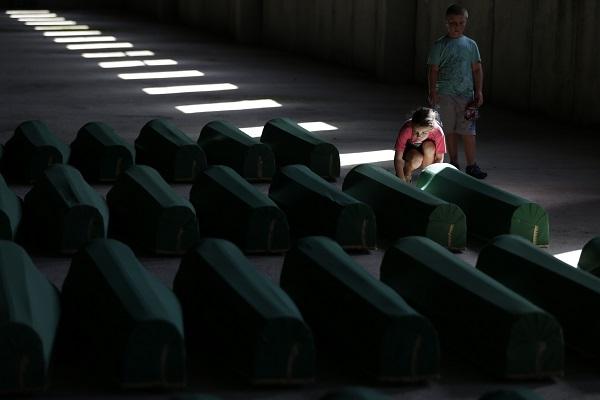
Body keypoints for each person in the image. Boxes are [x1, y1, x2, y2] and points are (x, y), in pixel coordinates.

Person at [427, 3, 487, 179]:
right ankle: (453, 162)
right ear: (446, 23)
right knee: (450, 130)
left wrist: (479, 91)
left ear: (465, 23)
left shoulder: (471, 45)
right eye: (453, 23)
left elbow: (477, 69)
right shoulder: (440, 45)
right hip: (445, 95)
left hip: (467, 96)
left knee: (469, 130)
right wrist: (432, 91)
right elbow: (433, 69)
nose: (457, 27)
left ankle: (472, 164)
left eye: (461, 23)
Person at [394, 107, 446, 183]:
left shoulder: (438, 132)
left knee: (429, 147)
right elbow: (398, 159)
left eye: (424, 133)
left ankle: (425, 176)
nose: (419, 136)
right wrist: (401, 179)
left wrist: (431, 180)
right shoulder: (407, 129)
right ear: (412, 125)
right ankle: (407, 173)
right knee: (416, 159)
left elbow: (439, 158)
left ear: (431, 129)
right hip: (411, 152)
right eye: (416, 132)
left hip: (428, 153)